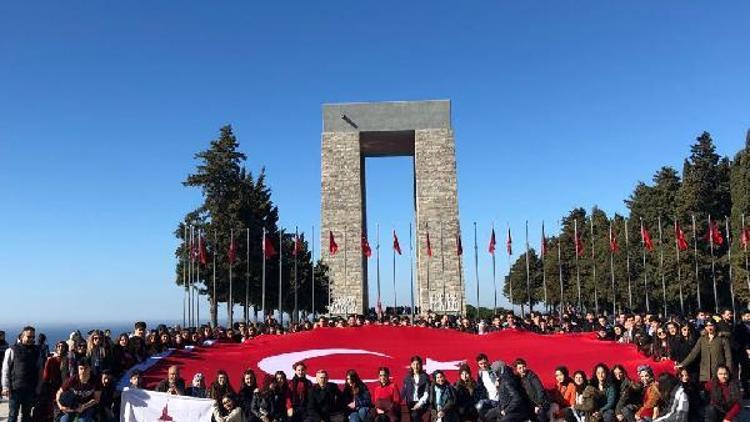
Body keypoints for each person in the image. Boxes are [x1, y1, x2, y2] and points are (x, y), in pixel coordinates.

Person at [1, 326, 44, 422]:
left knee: (27, 415)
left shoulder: (37, 351)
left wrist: (39, 386)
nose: (31, 339)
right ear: (22, 336)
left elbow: (40, 369)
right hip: (15, 389)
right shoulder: (12, 350)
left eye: (33, 337)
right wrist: (5, 387)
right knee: (13, 415)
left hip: (30, 389)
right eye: (29, 337)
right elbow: (5, 370)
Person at [36, 341, 70, 422]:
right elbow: (46, 376)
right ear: (56, 348)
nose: (60, 348)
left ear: (66, 348)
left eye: (62, 346)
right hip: (52, 389)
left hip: (65, 389)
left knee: (64, 411)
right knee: (53, 411)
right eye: (59, 346)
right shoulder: (51, 360)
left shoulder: (69, 361)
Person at [402, 355, 430, 422]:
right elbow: (403, 391)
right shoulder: (407, 377)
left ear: (420, 365)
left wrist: (419, 404)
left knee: (415, 415)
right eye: (414, 364)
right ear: (411, 365)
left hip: (421, 403)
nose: (415, 366)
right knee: (412, 418)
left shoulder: (425, 377)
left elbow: (426, 393)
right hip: (410, 402)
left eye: (417, 364)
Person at [474, 354, 500, 419]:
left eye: (485, 363)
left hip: (498, 400)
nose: (483, 365)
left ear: (488, 361)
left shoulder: (494, 371)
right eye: (481, 364)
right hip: (488, 400)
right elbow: (480, 388)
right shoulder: (480, 373)